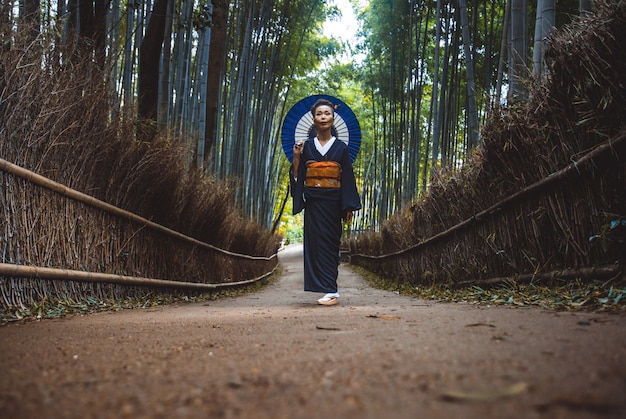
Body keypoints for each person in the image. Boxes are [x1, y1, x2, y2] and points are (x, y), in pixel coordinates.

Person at [290, 98, 361, 305]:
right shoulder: (306, 148)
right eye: (319, 114)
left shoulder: (341, 148)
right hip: (313, 203)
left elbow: (347, 177)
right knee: (314, 246)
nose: (323, 117)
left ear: (333, 118)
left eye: (327, 113)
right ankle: (325, 289)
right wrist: (296, 158)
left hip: (333, 203)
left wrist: (348, 206)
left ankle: (332, 290)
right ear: (313, 119)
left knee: (330, 245)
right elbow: (298, 177)